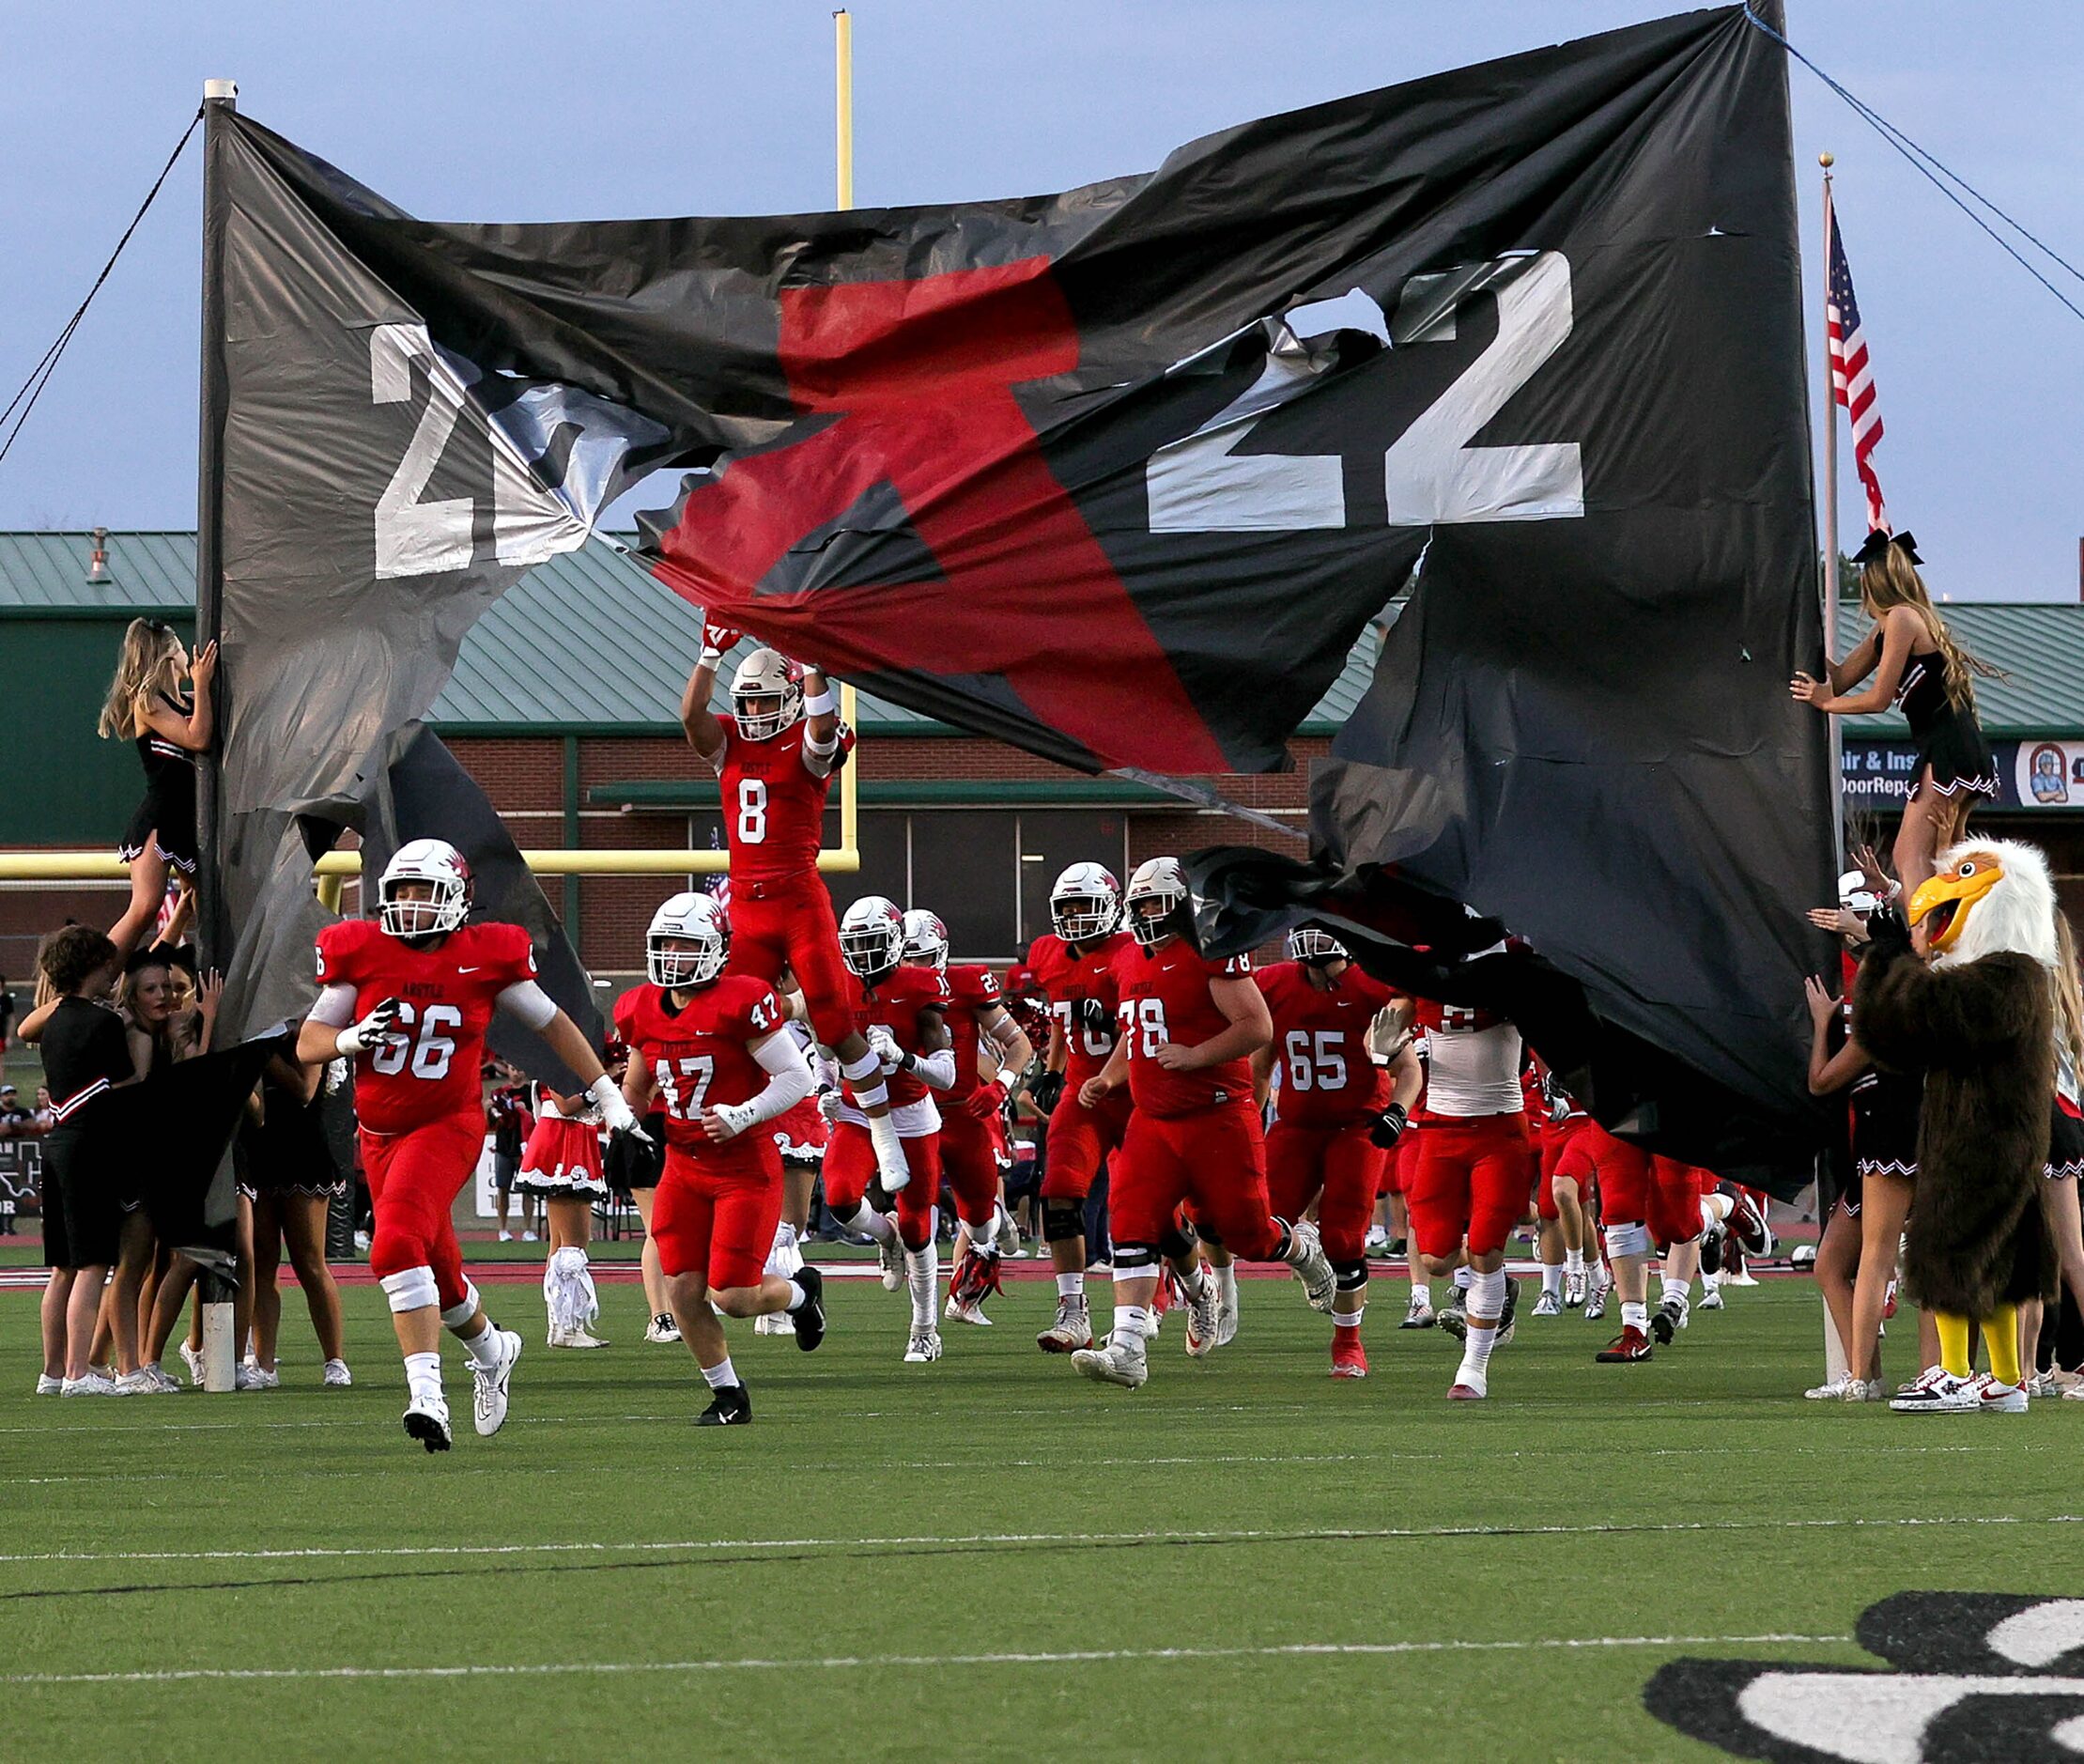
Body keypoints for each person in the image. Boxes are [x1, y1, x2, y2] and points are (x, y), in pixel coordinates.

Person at [295, 838, 641, 1452]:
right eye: (399, 892)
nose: (409, 904)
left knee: (395, 1242)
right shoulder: (363, 950)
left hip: (446, 1123)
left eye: (422, 892)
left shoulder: (484, 955)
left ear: (456, 898)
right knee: (443, 1276)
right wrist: (347, 1041)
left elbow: (553, 1023)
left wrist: (605, 1095)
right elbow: (308, 1039)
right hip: (378, 1132)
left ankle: (427, 1396)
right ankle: (491, 1348)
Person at [1069, 858, 1335, 1390]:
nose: (1144, 913)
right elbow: (1139, 1033)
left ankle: (1302, 1249)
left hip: (1216, 1114)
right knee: (1130, 1219)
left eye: (1153, 903)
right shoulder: (1135, 962)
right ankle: (1127, 1347)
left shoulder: (1212, 953)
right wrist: (1109, 1077)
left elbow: (1256, 1026)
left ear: (1180, 905)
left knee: (1247, 1234)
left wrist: (1196, 1055)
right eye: (1137, 904)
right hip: (1155, 1117)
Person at [680, 632, 913, 1199]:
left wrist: (811, 661)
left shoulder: (806, 741)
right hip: (746, 904)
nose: (754, 711)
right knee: (731, 1024)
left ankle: (883, 1131)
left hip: (798, 899)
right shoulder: (730, 741)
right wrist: (709, 654)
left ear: (788, 698)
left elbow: (823, 731)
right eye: (748, 701)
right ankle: (744, 1126)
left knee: (834, 1021)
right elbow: (691, 717)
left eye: (764, 700)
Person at [615, 890, 824, 1424]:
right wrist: (616, 1118)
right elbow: (638, 1090)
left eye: (686, 946)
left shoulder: (740, 1001)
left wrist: (744, 1113)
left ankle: (801, 1295)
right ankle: (729, 1393)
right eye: (666, 945)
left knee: (732, 1294)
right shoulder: (641, 1007)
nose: (673, 957)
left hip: (742, 1167)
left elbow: (797, 1077)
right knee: (682, 1287)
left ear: (714, 951)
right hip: (683, 1166)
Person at [1791, 531, 1998, 896]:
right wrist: (1802, 644)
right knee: (1945, 856)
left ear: (1874, 583)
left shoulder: (1903, 618)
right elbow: (1839, 678)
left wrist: (1825, 704)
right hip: (1954, 747)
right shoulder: (1888, 628)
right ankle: (1946, 937)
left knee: (1910, 854)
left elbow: (1878, 698)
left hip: (1947, 748)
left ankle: (1927, 942)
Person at [1254, 926, 1420, 1378]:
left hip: (1355, 1126)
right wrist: (1247, 1115)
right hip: (1296, 1125)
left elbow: (1409, 1069)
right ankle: (1308, 1258)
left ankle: (1348, 1342)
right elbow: (1263, 1059)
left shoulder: (1371, 986)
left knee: (1344, 1239)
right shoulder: (1276, 984)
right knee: (1253, 1229)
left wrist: (1397, 1111)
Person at [820, 895, 954, 1363]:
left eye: (873, 942)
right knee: (838, 1197)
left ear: (897, 942)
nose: (864, 954)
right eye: (855, 944)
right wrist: (824, 1086)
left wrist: (904, 1057)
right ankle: (884, 1236)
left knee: (919, 1225)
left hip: (911, 1112)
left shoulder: (920, 986)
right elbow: (825, 1046)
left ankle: (924, 1327)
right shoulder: (839, 984)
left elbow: (948, 1074)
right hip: (859, 1111)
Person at [903, 909, 1034, 1328]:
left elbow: (1018, 1044)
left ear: (939, 955)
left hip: (962, 1116)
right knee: (911, 1214)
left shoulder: (964, 983)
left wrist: (1000, 1087)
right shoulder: (880, 990)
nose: (913, 970)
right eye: (906, 959)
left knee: (977, 1217)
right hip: (909, 1117)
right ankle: (924, 1320)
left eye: (921, 959)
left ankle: (994, 1221)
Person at [1404, 978, 1535, 1400]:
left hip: (1500, 1129)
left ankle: (1472, 1368)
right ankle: (1498, 1287)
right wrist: (1383, 1046)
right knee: (1436, 1259)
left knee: (1484, 1247)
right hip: (1440, 1129)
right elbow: (1387, 1035)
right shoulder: (1419, 974)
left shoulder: (1509, 971)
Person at [1026, 862, 1135, 1354]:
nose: (1074, 917)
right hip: (1080, 1091)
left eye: (1083, 906)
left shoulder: (1132, 953)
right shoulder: (1049, 955)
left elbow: (1143, 1029)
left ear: (1110, 907)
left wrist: (1110, 1030)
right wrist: (1051, 1070)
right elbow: (1059, 1020)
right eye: (1066, 907)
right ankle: (1073, 1312)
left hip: (1136, 1093)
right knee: (1059, 1192)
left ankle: (1194, 1284)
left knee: (1148, 1208)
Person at [31, 927, 135, 1395]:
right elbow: (127, 1083)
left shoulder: (50, 1022)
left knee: (62, 1266)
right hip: (90, 1146)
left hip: (57, 1144)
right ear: (94, 966)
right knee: (93, 1263)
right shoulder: (105, 1023)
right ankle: (78, 1372)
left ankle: (52, 1372)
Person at [99, 618, 217, 959]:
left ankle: (184, 970)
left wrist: (203, 688)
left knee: (199, 898)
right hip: (160, 817)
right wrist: (203, 684)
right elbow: (198, 737)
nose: (187, 656)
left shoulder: (184, 700)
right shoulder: (148, 701)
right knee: (146, 905)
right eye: (180, 648)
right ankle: (94, 976)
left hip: (183, 818)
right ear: (166, 656)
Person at [242, 1052, 352, 1388]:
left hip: (301, 1149)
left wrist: (264, 1052)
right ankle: (264, 1363)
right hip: (259, 1149)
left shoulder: (305, 1032)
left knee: (309, 1262)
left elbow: (304, 1088)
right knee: (263, 1262)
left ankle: (335, 1360)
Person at [516, 1072, 610, 1350]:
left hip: (568, 1137)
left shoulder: (557, 1056)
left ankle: (560, 1326)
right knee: (573, 1245)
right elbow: (566, 1104)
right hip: (563, 1139)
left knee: (560, 1246)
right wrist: (603, 1087)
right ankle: (567, 1328)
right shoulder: (557, 1057)